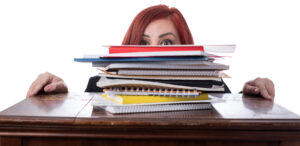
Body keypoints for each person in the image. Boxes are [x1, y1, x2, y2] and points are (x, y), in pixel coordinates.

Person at [26, 4, 275, 100]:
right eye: (144, 44)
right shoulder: (101, 84)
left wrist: (252, 96)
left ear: (186, 48)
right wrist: (57, 97)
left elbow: (231, 117)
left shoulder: (211, 84)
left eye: (166, 44)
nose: (154, 53)